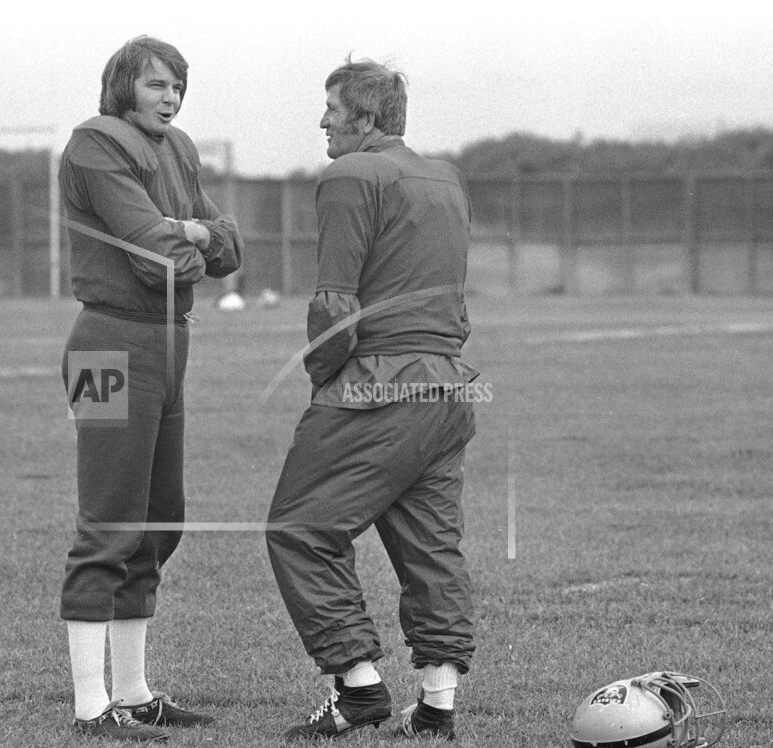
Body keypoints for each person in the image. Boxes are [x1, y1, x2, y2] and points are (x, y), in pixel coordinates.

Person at [265, 56, 478, 741]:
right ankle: (438, 704)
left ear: (365, 116)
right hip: (446, 387)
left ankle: (356, 688)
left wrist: (324, 377)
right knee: (431, 548)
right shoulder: (447, 179)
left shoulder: (352, 174)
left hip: (377, 387)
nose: (322, 120)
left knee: (299, 529)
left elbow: (336, 302)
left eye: (332, 108)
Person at [57, 36, 242, 742]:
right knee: (109, 520)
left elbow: (228, 248)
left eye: (178, 86)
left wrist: (192, 232)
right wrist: (190, 236)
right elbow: (155, 259)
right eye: (158, 84)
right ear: (123, 85)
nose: (172, 98)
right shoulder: (96, 144)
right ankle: (90, 703)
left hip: (168, 343)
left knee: (161, 518)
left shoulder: (178, 147)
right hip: (107, 343)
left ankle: (133, 694)